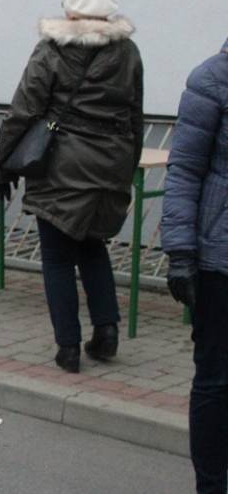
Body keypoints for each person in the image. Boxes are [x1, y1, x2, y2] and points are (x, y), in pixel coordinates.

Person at [0, 0, 142, 373]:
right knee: (93, 246)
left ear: (69, 8)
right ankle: (107, 331)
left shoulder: (52, 49)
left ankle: (69, 347)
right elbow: (135, 115)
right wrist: (125, 168)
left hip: (62, 164)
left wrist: (2, 166)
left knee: (57, 257)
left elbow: (23, 110)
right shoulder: (128, 52)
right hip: (111, 163)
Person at [161, 38, 228, 492]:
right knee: (217, 380)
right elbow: (184, 169)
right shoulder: (212, 80)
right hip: (219, 261)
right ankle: (211, 485)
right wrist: (181, 252)